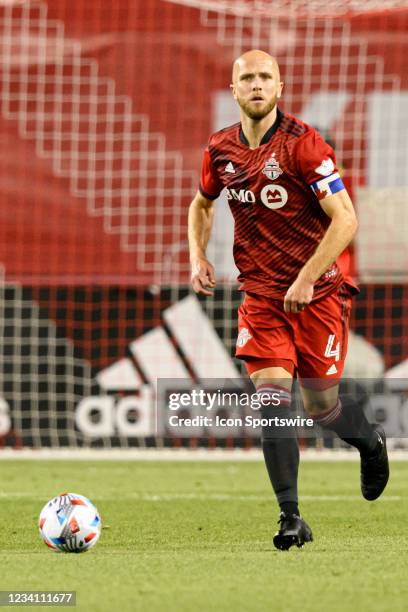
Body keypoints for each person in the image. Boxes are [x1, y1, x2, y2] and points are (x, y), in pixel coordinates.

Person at [188, 49, 389, 551]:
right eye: (246, 78)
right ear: (234, 91)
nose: (256, 85)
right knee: (272, 402)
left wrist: (306, 277)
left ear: (280, 87)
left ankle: (369, 441)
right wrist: (197, 257)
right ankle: (290, 517)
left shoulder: (305, 146)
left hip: (317, 296)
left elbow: (345, 219)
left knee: (321, 407)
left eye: (265, 77)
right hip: (259, 296)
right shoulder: (219, 149)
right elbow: (201, 204)